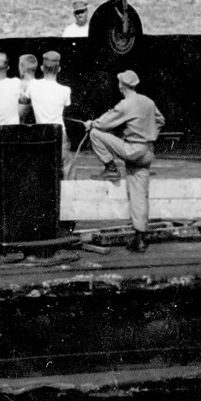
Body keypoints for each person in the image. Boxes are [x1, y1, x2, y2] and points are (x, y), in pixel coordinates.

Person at [88, 70, 165, 254]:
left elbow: (103, 124)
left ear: (122, 85)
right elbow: (160, 120)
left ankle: (110, 167)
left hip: (133, 150)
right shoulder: (148, 101)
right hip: (147, 151)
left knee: (95, 135)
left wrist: (91, 123)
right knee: (139, 193)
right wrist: (148, 133)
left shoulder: (125, 104)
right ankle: (140, 238)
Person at [26, 49, 73, 177]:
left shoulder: (32, 85)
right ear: (59, 69)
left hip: (41, 133)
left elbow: (24, 100)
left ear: (41, 68)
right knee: (67, 165)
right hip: (59, 133)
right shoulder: (65, 90)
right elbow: (66, 105)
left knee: (43, 170)